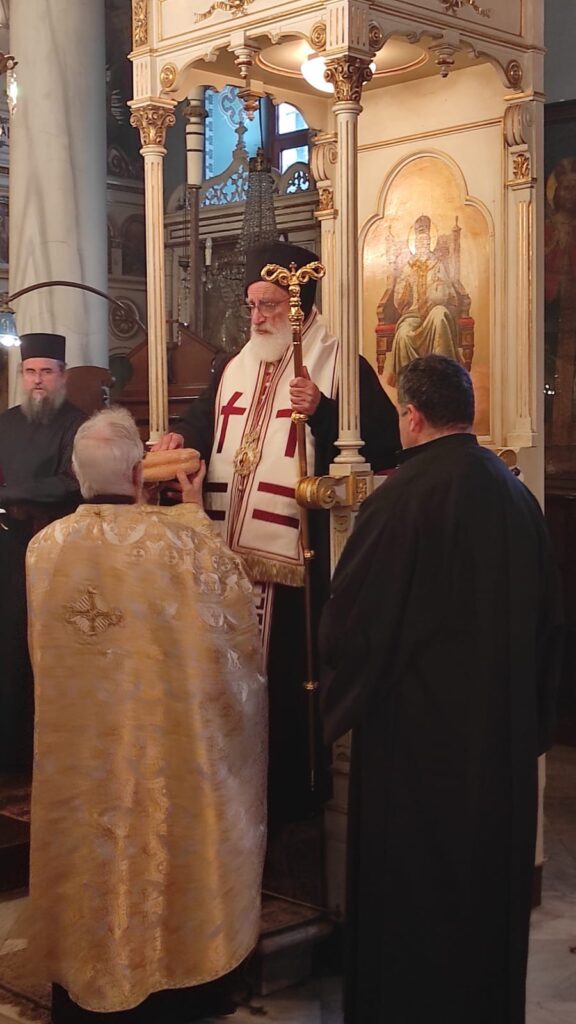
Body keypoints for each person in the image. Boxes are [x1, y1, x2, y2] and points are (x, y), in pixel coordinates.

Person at [319, 355, 561, 1024]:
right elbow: (551, 627)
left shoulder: (400, 499)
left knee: (414, 909)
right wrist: (529, 727)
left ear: (412, 416)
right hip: (500, 749)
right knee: (487, 903)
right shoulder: (516, 495)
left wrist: (326, 696)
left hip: (418, 754)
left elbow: (352, 627)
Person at [25, 406, 266, 1023]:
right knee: (157, 847)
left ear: (76, 473)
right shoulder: (181, 544)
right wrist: (192, 510)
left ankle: (83, 982)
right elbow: (233, 625)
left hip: (79, 756)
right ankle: (168, 976)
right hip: (161, 756)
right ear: (139, 473)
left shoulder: (44, 549)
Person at [155, 240, 400, 830]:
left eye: (268, 305)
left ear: (300, 306)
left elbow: (385, 444)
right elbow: (203, 418)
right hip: (227, 549)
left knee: (287, 676)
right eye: (252, 305)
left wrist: (323, 409)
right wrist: (179, 436)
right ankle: (231, 781)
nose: (257, 317)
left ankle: (289, 794)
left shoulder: (340, 364)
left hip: (298, 553)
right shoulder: (232, 365)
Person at [0, 332, 86, 771]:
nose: (37, 380)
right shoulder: (6, 422)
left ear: (62, 377)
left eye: (46, 372)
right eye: (30, 372)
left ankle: (38, 754)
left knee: (39, 649)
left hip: (51, 547)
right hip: (6, 545)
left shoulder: (80, 424)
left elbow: (72, 483)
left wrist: (10, 493)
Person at [386, 214, 462, 385]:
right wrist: (404, 289)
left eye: (426, 241)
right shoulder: (408, 267)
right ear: (415, 244)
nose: (423, 244)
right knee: (403, 334)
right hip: (413, 315)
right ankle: (410, 382)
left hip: (434, 311)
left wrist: (439, 290)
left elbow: (449, 294)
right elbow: (399, 298)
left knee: (439, 315)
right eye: (420, 241)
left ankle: (443, 376)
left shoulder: (437, 265)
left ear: (430, 243)